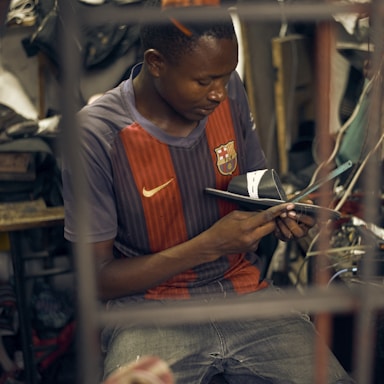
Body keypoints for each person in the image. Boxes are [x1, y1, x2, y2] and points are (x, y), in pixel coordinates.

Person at [62, 0, 355, 382]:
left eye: (225, 76)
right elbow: (96, 280)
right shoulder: (96, 135)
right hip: (148, 310)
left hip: (243, 292)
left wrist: (279, 214)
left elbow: (255, 185)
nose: (218, 93)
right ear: (156, 63)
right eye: (204, 81)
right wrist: (211, 244)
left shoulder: (229, 90)